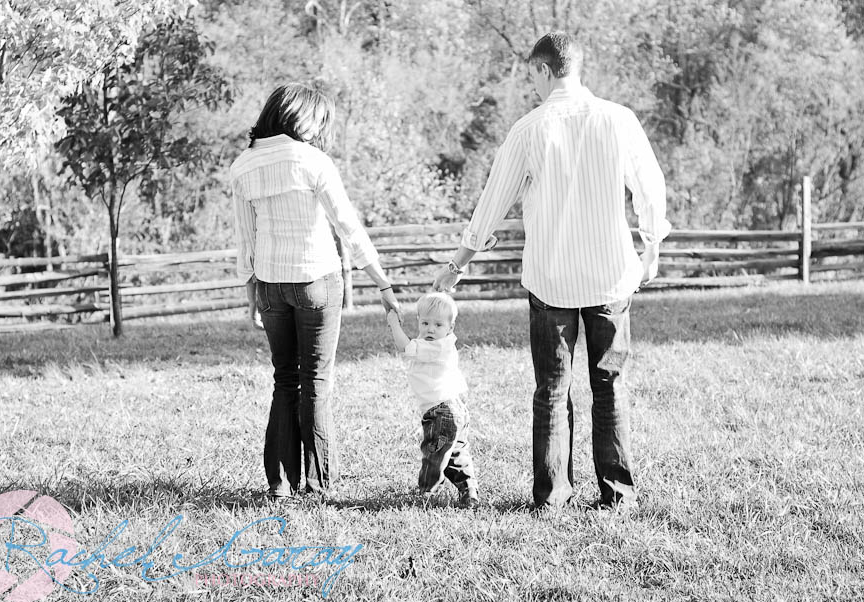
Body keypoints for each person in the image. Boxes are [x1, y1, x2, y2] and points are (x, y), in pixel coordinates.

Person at [433, 32, 671, 511]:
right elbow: (650, 186)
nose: (532, 87)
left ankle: (552, 496)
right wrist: (652, 245)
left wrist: (459, 261)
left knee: (551, 391)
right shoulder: (618, 119)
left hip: (551, 280)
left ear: (544, 70)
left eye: (531, 77)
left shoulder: (529, 129)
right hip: (610, 275)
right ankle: (619, 495)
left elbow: (492, 202)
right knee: (609, 386)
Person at [231, 83, 400, 499]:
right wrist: (383, 281)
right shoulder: (312, 161)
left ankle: (280, 483)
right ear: (301, 118)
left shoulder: (242, 165)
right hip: (316, 280)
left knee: (284, 379)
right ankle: (319, 482)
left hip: (271, 284)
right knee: (317, 381)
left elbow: (246, 240)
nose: (319, 131)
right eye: (318, 122)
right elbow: (348, 227)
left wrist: (251, 296)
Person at [385, 292, 479, 508]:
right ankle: (469, 490)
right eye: (425, 322)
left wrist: (393, 324)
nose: (430, 329)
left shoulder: (437, 347)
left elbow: (404, 347)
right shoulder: (441, 344)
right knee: (456, 453)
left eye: (438, 324)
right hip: (456, 409)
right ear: (418, 321)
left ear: (450, 328)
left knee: (433, 454)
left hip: (441, 414)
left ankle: (426, 494)